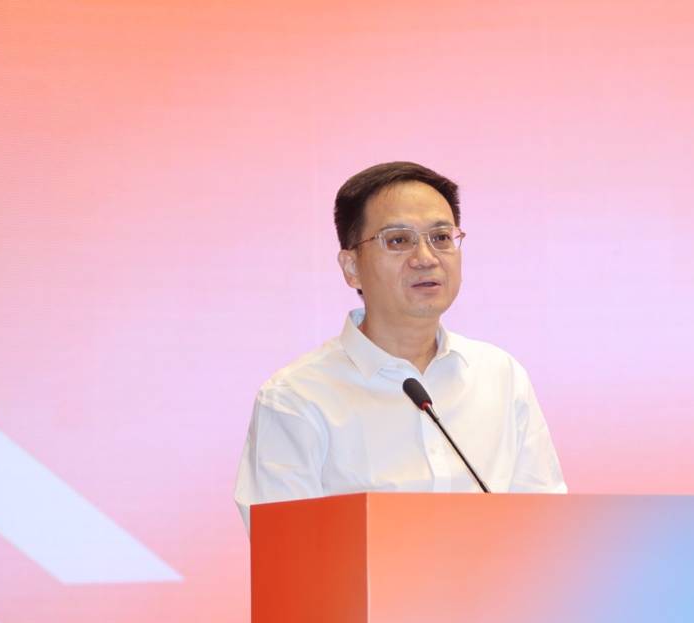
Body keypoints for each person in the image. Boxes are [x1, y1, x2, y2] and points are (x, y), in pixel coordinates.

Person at [234, 161, 566, 528]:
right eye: (398, 240)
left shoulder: (501, 376)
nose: (425, 258)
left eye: (441, 237)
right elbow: (287, 548)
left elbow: (544, 529)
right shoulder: (296, 398)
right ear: (351, 267)